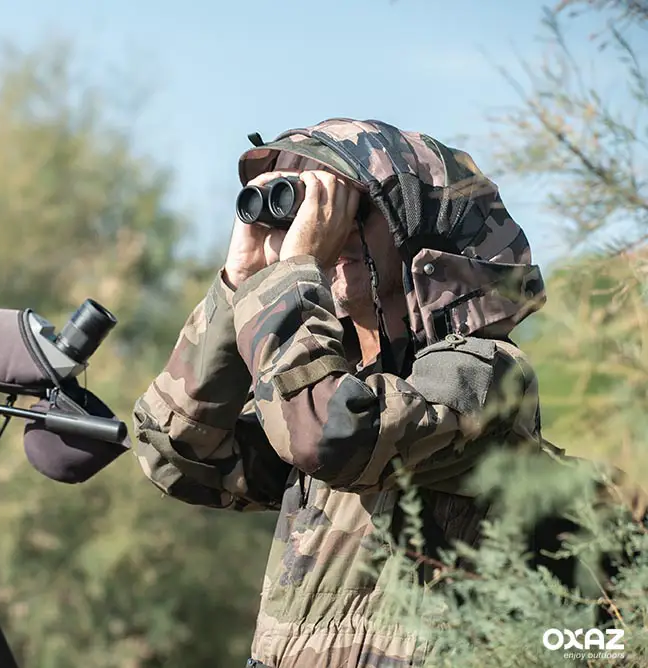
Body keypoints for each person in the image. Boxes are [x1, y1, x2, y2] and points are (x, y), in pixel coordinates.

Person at [130, 118, 550, 667]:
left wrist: (286, 281)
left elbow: (331, 439)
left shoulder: (484, 373)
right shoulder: (328, 381)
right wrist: (239, 282)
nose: (328, 232)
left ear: (415, 224)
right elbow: (177, 455)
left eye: (347, 207)